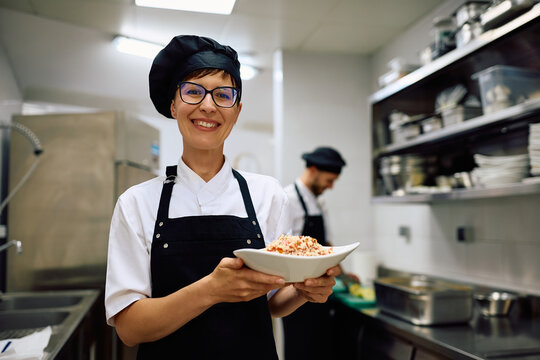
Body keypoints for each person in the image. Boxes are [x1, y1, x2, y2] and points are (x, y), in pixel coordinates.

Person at [104, 35, 340, 359]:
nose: (208, 105)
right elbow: (130, 329)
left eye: (223, 94)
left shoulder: (267, 193)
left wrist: (304, 290)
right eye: (193, 91)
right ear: (173, 104)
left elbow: (272, 301)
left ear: (237, 109)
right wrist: (211, 290)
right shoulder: (136, 203)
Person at [282, 146, 356, 360]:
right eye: (329, 180)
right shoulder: (288, 200)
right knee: (301, 350)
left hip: (320, 292)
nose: (330, 187)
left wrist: (344, 276)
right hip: (296, 294)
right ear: (313, 170)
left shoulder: (318, 203)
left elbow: (326, 246)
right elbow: (283, 248)